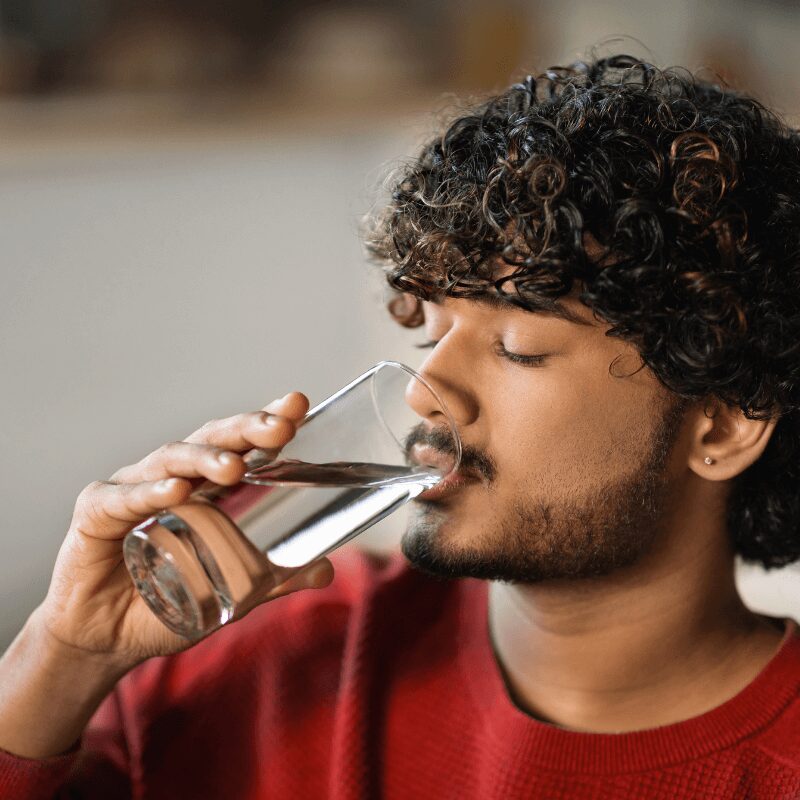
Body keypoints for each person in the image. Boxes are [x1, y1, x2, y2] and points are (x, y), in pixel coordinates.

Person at [1, 53, 799, 799]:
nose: (425, 391)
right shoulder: (271, 655)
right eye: (431, 332)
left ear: (722, 426)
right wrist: (66, 653)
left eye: (518, 348)